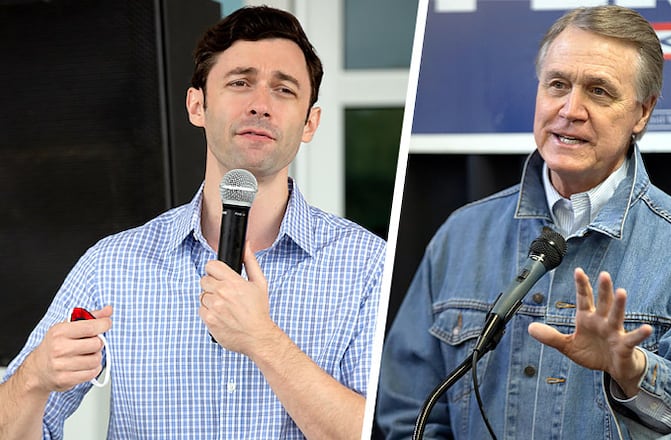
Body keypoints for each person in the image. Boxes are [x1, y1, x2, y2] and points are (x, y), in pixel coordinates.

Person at [0, 6, 385, 440]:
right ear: (197, 105)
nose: (260, 105)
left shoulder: (368, 266)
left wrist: (262, 340)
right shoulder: (113, 265)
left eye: (284, 90)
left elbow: (379, 430)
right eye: (240, 83)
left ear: (309, 122)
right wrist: (33, 378)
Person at [376, 5, 671, 440]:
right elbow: (407, 413)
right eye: (558, 84)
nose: (570, 109)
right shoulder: (461, 236)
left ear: (642, 113)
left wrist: (634, 372)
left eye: (599, 91)